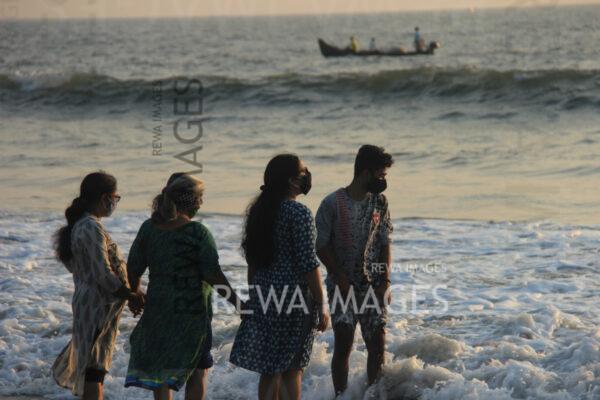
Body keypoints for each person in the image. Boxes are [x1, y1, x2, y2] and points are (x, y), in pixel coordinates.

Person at [124, 173, 244, 400]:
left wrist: (135, 296)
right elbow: (213, 275)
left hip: (158, 310)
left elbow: (133, 270)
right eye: (200, 198)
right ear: (190, 201)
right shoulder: (198, 233)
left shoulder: (149, 229)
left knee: (162, 370)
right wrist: (239, 304)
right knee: (198, 370)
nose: (202, 202)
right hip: (192, 313)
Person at [230, 154, 329, 400]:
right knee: (292, 369)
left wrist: (255, 296)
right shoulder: (299, 213)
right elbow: (308, 263)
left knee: (269, 369)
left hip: (264, 296)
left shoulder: (259, 211)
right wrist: (321, 302)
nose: (307, 176)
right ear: (291, 181)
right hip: (294, 301)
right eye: (303, 172)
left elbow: (252, 261)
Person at [52, 171, 145, 400]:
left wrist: (131, 292)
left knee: (93, 368)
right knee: (95, 371)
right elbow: (103, 273)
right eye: (115, 197)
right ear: (105, 198)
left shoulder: (82, 226)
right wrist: (130, 295)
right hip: (97, 306)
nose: (115, 202)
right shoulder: (90, 227)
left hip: (92, 304)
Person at [315, 145, 394, 396]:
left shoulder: (380, 202)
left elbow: (384, 242)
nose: (383, 180)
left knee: (377, 344)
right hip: (341, 284)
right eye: (380, 175)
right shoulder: (332, 203)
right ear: (364, 172)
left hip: (373, 284)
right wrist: (339, 276)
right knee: (344, 342)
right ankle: (341, 395)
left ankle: (372, 394)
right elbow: (321, 245)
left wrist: (386, 281)